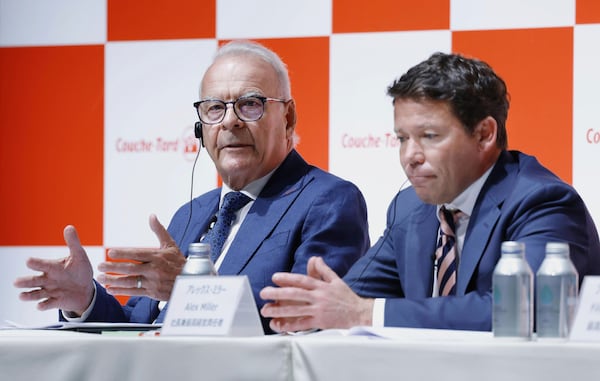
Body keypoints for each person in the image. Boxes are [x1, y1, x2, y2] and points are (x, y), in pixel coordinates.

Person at [14, 40, 370, 334]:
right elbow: (137, 328)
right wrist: (84, 300)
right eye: (214, 108)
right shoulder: (192, 213)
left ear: (288, 117)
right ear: (201, 127)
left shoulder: (329, 201)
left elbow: (305, 324)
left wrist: (193, 290)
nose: (229, 121)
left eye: (250, 104)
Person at [260, 52, 600, 332]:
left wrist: (366, 315)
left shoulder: (543, 202)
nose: (410, 156)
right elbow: (352, 298)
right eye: (403, 138)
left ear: (484, 134)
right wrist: (311, 309)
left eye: (430, 136)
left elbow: (525, 312)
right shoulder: (409, 207)